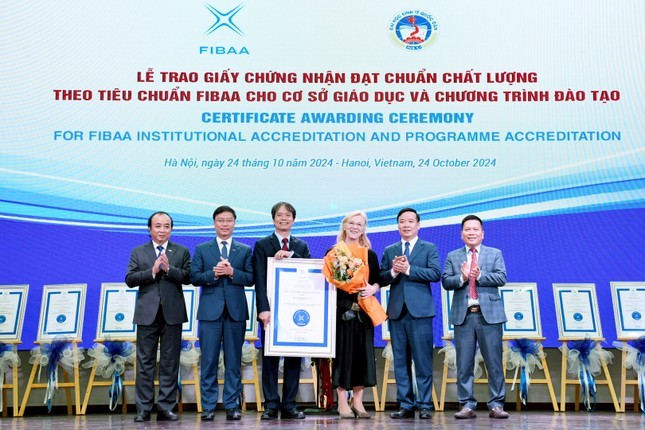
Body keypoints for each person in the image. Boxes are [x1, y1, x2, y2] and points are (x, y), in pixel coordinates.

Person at [125, 211, 190, 422]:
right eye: (158, 226)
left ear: (171, 229)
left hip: (173, 314)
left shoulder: (181, 251)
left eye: (166, 226)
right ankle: (143, 408)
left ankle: (166, 407)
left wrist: (169, 269)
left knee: (170, 362)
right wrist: (152, 271)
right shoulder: (139, 251)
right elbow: (130, 279)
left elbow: (188, 277)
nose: (162, 230)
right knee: (145, 363)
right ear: (149, 229)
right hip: (147, 314)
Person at [441, 214, 509, 419]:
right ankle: (467, 405)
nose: (471, 233)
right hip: (464, 316)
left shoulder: (494, 253)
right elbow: (445, 281)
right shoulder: (453, 256)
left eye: (475, 229)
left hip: (489, 316)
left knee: (494, 363)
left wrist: (479, 275)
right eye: (467, 230)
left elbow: (501, 277)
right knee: (464, 364)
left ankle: (496, 404)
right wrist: (462, 277)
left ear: (482, 233)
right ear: (461, 234)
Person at [190, 206, 254, 421]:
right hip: (210, 314)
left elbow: (251, 278)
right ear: (214, 223)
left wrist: (232, 272)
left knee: (233, 361)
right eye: (220, 220)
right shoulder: (202, 248)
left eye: (228, 220)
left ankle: (232, 405)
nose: (224, 224)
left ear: (234, 223)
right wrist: (214, 273)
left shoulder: (244, 250)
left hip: (235, 313)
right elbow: (195, 277)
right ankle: (208, 406)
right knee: (208, 361)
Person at [380, 207, 441, 420]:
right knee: (400, 362)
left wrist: (408, 270)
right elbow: (382, 277)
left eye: (410, 221)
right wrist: (394, 272)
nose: (406, 225)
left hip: (421, 313)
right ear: (398, 225)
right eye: (402, 221)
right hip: (397, 313)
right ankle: (405, 405)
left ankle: (424, 404)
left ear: (418, 225)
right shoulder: (390, 250)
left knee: (423, 360)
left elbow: (435, 274)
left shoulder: (428, 247)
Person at [253, 202, 311, 420]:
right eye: (279, 215)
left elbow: (310, 271)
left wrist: (291, 258)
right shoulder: (262, 245)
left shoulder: (301, 246)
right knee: (270, 358)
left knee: (294, 357)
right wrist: (263, 309)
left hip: (295, 311)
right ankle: (271, 404)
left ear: (293, 220)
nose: (283, 219)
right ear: (273, 219)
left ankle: (289, 404)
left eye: (288, 215)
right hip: (271, 311)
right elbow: (258, 279)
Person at [329, 211, 382, 419]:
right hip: (342, 313)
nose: (355, 227)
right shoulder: (333, 252)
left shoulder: (370, 255)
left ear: (364, 228)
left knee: (362, 357)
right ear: (344, 225)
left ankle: (358, 401)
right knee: (343, 357)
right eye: (352, 223)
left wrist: (374, 288)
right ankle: (342, 400)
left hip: (364, 313)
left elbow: (378, 279)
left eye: (360, 224)